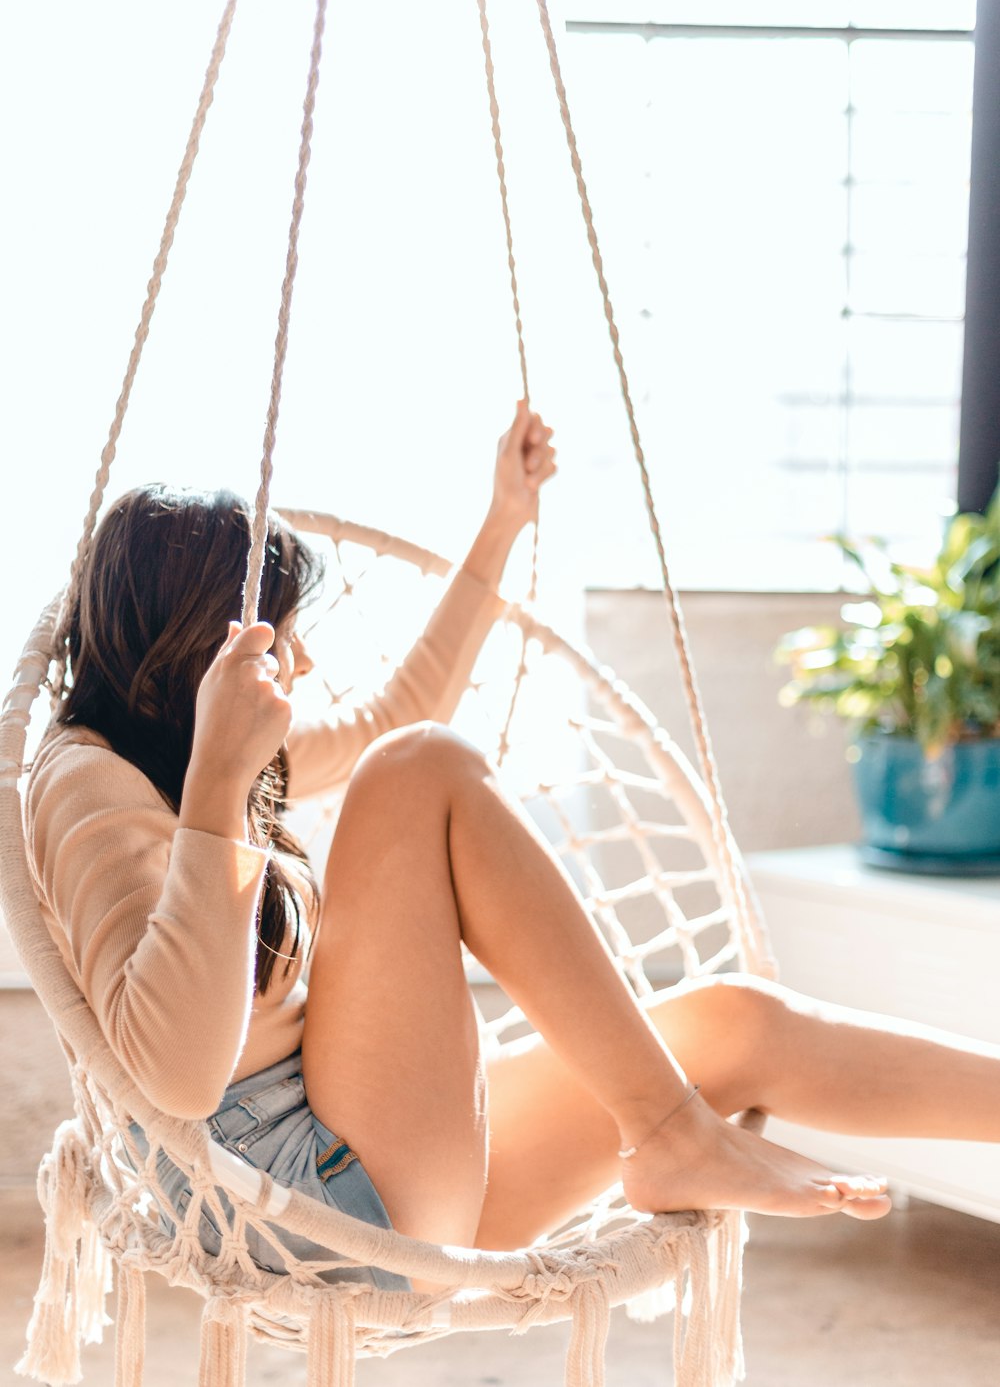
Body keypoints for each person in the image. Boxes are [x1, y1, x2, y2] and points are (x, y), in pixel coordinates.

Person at [26, 400, 1000, 1292]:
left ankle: (676, 1121)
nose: (303, 661)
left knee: (734, 1026)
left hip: (365, 1159)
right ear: (194, 648)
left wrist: (500, 523)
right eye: (278, 639)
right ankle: (662, 1129)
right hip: (294, 1207)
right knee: (418, 771)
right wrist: (216, 800)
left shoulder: (194, 742)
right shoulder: (89, 780)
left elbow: (394, 716)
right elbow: (175, 1081)